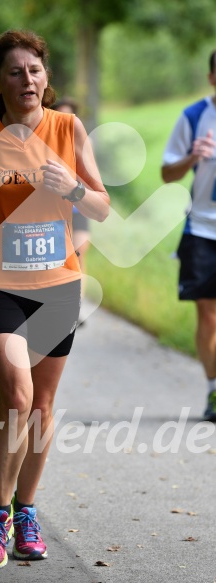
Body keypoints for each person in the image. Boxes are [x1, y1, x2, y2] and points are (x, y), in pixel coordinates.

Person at [0, 29, 109, 569]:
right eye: (15, 72)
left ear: (46, 78)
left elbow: (103, 207)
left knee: (40, 407)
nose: (27, 80)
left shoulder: (67, 127)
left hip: (58, 285)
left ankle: (27, 510)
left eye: (35, 70)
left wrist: (75, 190)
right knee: (16, 396)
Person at [161, 49, 216, 422]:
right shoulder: (195, 116)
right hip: (203, 227)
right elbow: (167, 174)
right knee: (209, 316)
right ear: (212, 77)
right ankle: (214, 390)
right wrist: (192, 158)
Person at [51, 98, 91, 326]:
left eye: (70, 116)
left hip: (80, 207)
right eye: (61, 116)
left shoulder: (83, 143)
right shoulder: (45, 142)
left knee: (78, 253)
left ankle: (76, 308)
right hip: (56, 209)